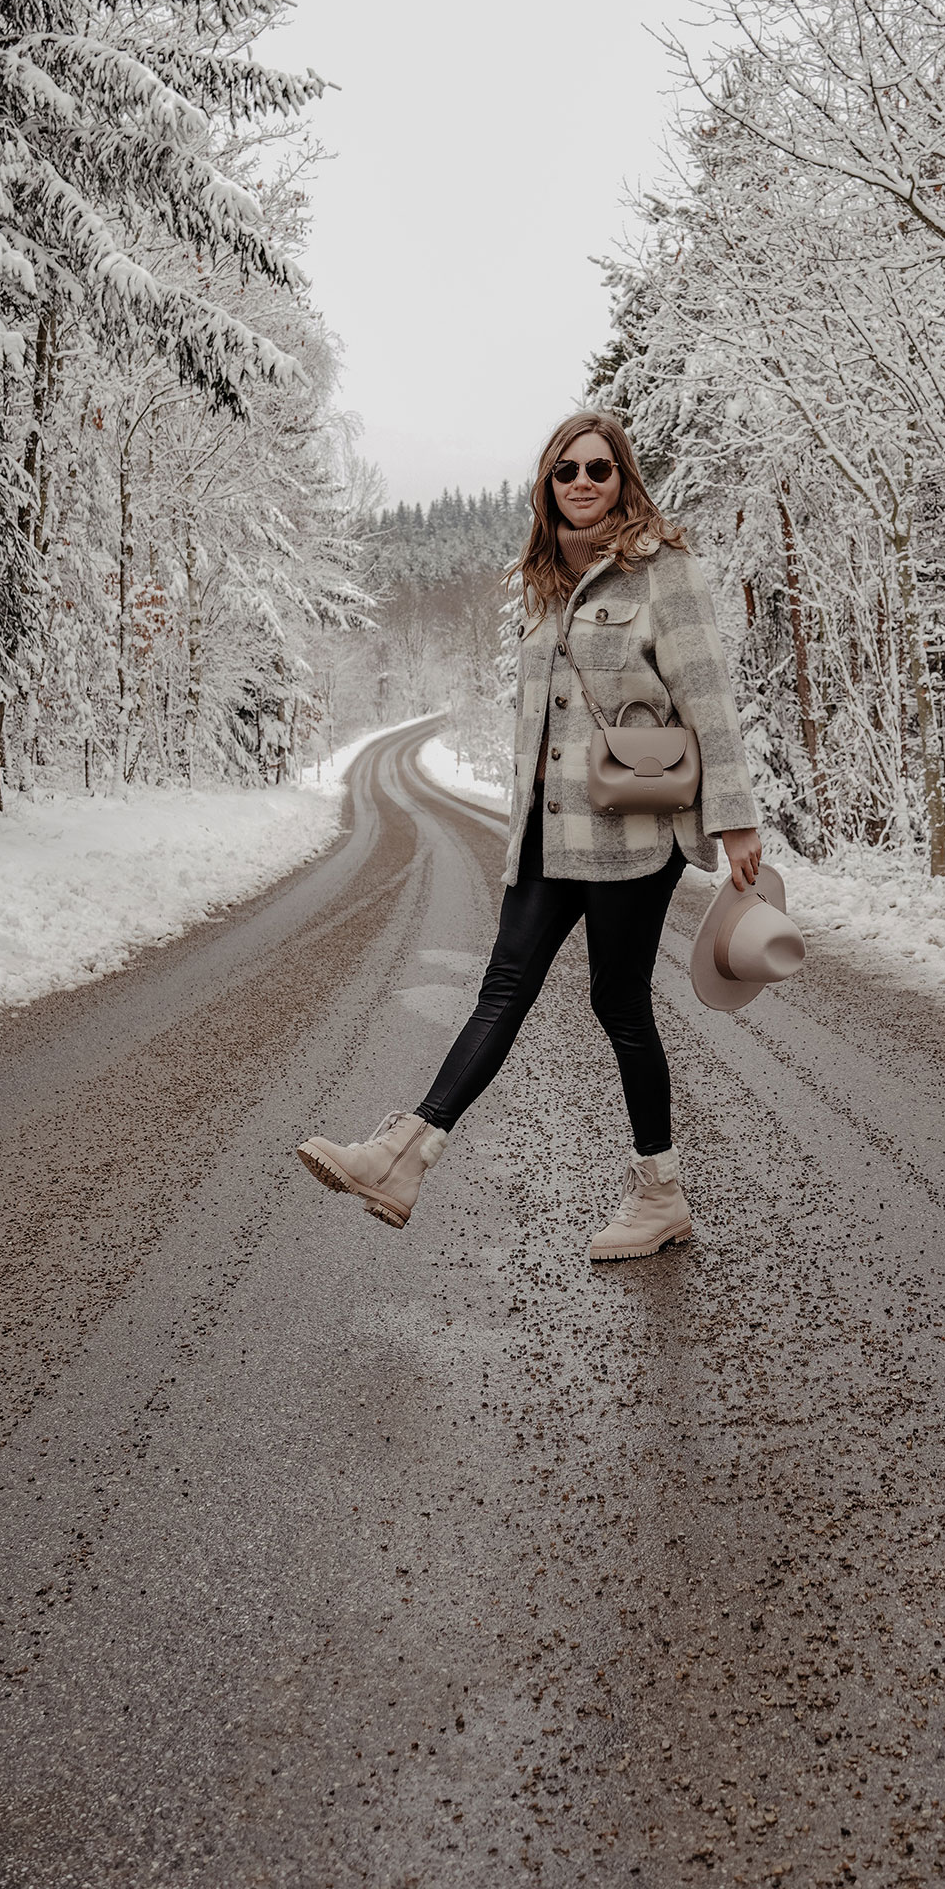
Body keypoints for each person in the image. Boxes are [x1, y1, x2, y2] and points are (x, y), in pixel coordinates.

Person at [297, 409, 762, 1260]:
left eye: (598, 469)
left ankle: (659, 1196)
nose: (582, 483)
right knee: (501, 991)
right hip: (546, 834)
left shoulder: (662, 572)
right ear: (545, 486)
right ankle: (401, 1158)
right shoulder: (545, 584)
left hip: (631, 834)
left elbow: (707, 696)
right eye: (565, 472)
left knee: (617, 1006)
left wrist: (734, 822)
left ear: (622, 476)